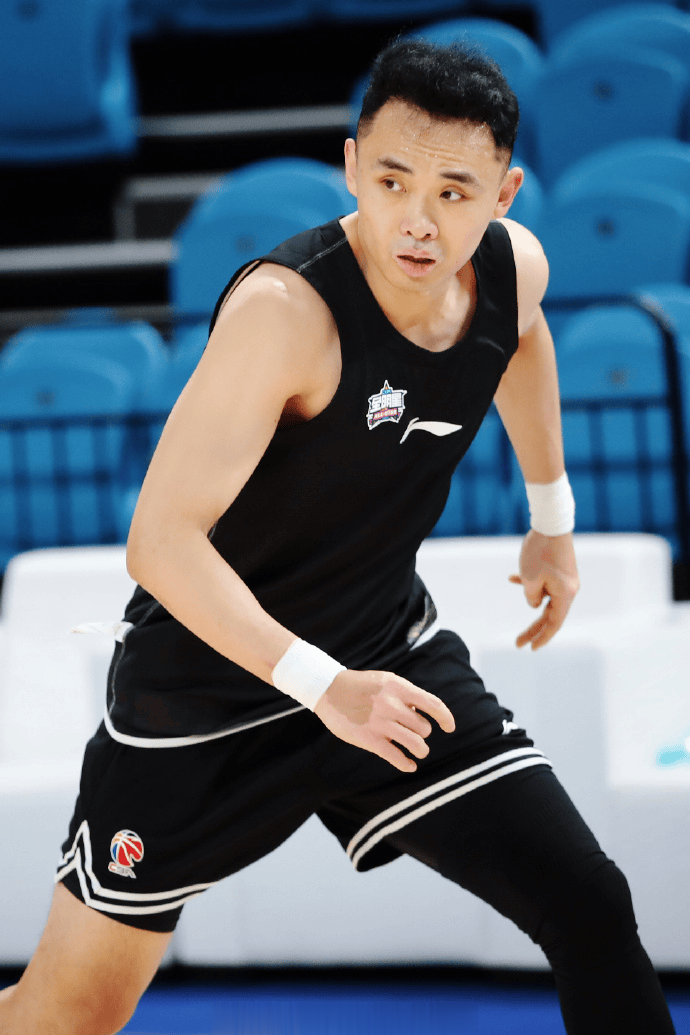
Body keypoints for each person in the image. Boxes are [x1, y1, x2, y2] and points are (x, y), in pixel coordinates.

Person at [0, 38, 676, 1035]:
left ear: (505, 195)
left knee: (588, 900)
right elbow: (160, 543)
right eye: (393, 180)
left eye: (453, 192)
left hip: (383, 654)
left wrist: (552, 521)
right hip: (206, 692)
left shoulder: (512, 269)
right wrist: (323, 687)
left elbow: (524, 337)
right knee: (67, 1016)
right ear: (352, 166)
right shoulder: (286, 312)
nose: (418, 218)